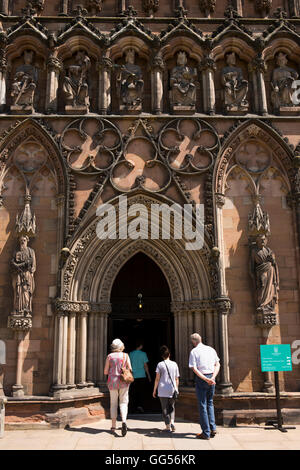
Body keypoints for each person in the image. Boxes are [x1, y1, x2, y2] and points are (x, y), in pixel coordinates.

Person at [189, 333, 220, 440]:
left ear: (193, 342)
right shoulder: (211, 349)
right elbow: (217, 364)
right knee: (210, 402)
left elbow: (194, 368)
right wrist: (212, 377)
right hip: (212, 376)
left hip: (203, 379)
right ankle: (213, 428)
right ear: (201, 339)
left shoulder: (194, 351)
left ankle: (206, 433)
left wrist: (205, 379)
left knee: (202, 404)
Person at [104, 338, 132, 436]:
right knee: (124, 402)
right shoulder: (125, 355)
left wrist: (113, 370)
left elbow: (105, 372)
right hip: (123, 381)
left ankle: (113, 425)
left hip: (112, 381)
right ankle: (124, 421)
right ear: (121, 346)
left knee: (113, 403)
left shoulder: (109, 356)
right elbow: (130, 369)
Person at [153, 345, 179, 432]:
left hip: (162, 389)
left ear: (162, 356)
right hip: (172, 388)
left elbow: (157, 379)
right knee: (172, 406)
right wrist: (177, 388)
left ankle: (168, 426)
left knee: (164, 408)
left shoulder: (160, 364)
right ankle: (172, 422)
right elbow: (176, 379)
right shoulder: (174, 364)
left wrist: (154, 390)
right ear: (169, 355)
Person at [129, 340, 151, 413]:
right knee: (141, 392)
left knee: (133, 392)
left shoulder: (131, 354)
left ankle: (133, 407)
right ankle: (140, 406)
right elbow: (145, 366)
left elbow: (128, 366)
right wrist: (149, 375)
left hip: (133, 376)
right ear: (140, 346)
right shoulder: (143, 354)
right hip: (141, 375)